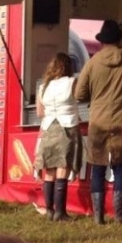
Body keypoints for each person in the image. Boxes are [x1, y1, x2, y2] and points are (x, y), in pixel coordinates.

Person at [75, 20, 122, 224]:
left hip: (98, 120)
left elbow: (79, 94)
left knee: (98, 168)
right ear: (119, 39)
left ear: (102, 41)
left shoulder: (93, 63)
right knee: (121, 166)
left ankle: (98, 217)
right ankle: (120, 215)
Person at [34, 52, 82, 222]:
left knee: (49, 170)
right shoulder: (72, 82)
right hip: (66, 127)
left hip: (48, 128)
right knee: (63, 167)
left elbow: (40, 112)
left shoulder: (43, 87)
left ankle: (49, 210)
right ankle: (60, 212)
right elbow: (81, 98)